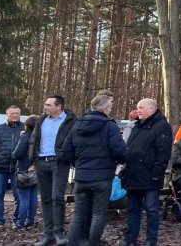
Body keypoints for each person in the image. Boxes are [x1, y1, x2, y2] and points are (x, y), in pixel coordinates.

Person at [63, 91, 127, 246]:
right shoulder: (110, 126)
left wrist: (78, 164)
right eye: (110, 106)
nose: (111, 109)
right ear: (104, 109)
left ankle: (73, 243)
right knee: (98, 213)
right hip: (102, 177)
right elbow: (119, 149)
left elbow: (66, 151)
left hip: (82, 176)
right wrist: (121, 161)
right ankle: (94, 243)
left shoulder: (77, 125)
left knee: (79, 213)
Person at [120, 98, 173, 246]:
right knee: (132, 209)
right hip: (132, 174)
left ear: (151, 109)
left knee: (151, 210)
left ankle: (151, 240)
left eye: (141, 107)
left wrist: (157, 173)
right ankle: (130, 239)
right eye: (137, 107)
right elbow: (129, 148)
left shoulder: (162, 126)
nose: (138, 110)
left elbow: (163, 153)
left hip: (150, 176)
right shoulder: (137, 125)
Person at [30, 95, 77, 246]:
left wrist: (68, 157)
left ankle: (59, 232)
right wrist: (33, 159)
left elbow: (74, 141)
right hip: (41, 162)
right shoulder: (42, 120)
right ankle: (48, 233)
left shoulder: (70, 121)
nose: (45, 107)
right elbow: (34, 139)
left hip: (59, 163)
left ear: (59, 106)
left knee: (57, 197)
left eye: (49, 105)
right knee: (45, 199)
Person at [0, 105, 22, 232]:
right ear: (7, 114)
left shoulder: (24, 128)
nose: (15, 116)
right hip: (0, 168)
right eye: (12, 113)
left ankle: (16, 221)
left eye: (17, 113)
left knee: (18, 196)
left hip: (18, 169)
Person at [13, 116, 38, 230]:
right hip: (36, 170)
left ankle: (20, 222)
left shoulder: (25, 136)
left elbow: (17, 154)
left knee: (23, 198)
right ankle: (31, 221)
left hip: (23, 170)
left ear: (26, 125)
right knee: (33, 196)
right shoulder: (40, 137)